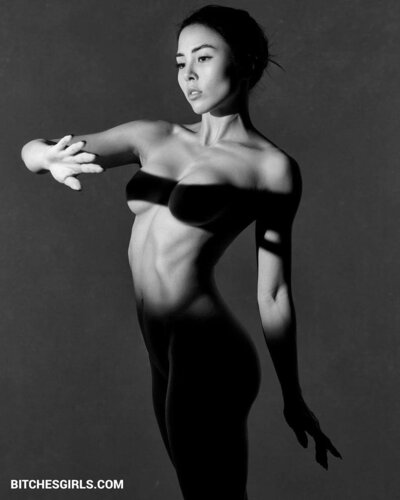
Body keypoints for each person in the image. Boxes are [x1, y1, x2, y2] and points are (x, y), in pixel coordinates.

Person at [21, 5, 341, 499]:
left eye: (204, 58)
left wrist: (292, 396)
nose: (188, 74)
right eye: (179, 62)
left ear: (248, 61)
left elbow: (274, 292)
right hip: (162, 350)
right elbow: (35, 150)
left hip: (206, 351)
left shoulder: (272, 167)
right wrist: (47, 157)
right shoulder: (153, 136)